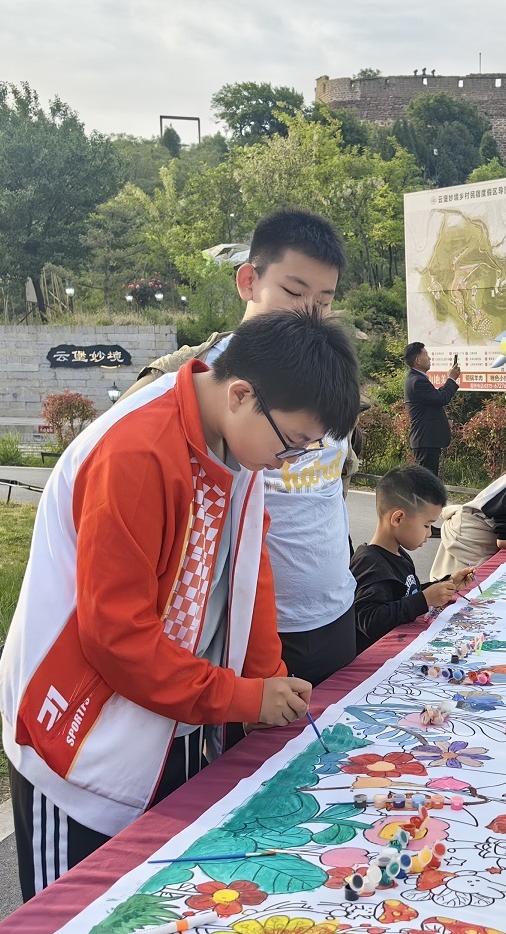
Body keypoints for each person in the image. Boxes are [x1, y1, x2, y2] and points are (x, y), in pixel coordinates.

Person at [0, 307, 361, 901]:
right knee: (71, 926)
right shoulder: (137, 452)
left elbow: (249, 571)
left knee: (156, 909)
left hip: (170, 714)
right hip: (79, 740)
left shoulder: (237, 443)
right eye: (292, 444)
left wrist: (267, 684)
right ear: (241, 394)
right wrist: (243, 698)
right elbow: (117, 639)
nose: (288, 463)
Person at [119, 209, 359, 687]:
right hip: (236, 625)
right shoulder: (183, 382)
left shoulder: (327, 375)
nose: (309, 313)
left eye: (324, 300)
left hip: (334, 609)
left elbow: (335, 481)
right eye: (294, 292)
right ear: (248, 281)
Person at [350, 464, 476, 652]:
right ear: (398, 518)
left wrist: (447, 583)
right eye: (426, 525)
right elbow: (368, 620)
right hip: (378, 657)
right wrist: (423, 600)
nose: (429, 533)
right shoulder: (369, 563)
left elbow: (407, 593)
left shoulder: (399, 555)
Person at [403, 341, 459, 481]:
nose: (429, 358)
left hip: (426, 440)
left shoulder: (416, 379)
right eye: (426, 355)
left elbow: (436, 397)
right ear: (417, 360)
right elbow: (441, 398)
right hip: (425, 440)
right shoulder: (418, 381)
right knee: (425, 483)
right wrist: (451, 379)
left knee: (426, 482)